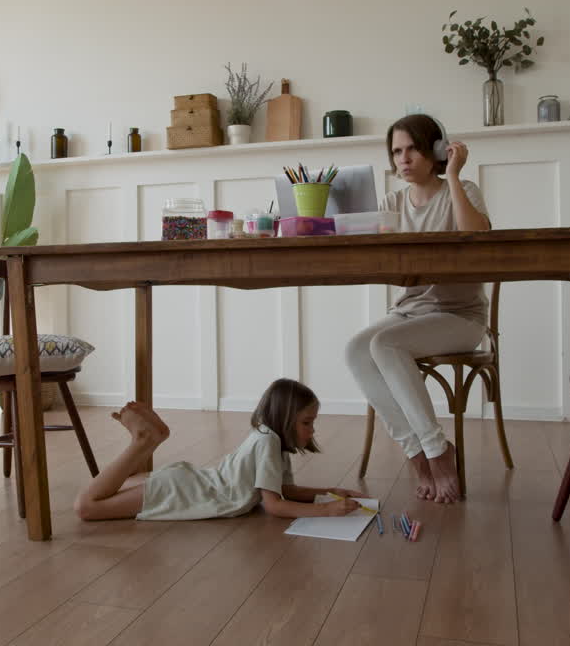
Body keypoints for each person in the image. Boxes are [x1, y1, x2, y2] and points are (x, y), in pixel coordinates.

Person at [344, 114, 492, 505]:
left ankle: (437, 451)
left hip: (460, 315)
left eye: (411, 148)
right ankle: (417, 452)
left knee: (385, 346)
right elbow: (387, 265)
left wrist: (456, 176)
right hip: (410, 313)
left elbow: (478, 239)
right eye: (396, 151)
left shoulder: (463, 190)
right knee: (356, 349)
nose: (404, 158)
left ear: (435, 150)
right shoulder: (392, 202)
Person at [74, 377, 367, 521]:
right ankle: (143, 442)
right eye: (307, 422)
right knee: (87, 507)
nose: (312, 430)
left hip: (188, 483)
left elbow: (280, 490)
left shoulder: (268, 437)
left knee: (114, 489)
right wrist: (328, 510)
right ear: (285, 418)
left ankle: (145, 441)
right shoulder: (269, 442)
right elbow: (274, 505)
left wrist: (329, 492)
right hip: (186, 491)